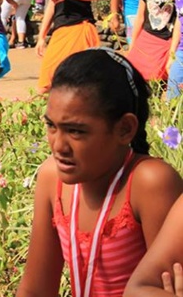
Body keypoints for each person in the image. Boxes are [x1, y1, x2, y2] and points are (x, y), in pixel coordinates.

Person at [16, 49, 183, 297]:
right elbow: (35, 290)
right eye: (51, 126)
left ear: (125, 129)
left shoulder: (149, 183)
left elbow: (161, 285)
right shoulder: (52, 178)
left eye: (76, 131)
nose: (59, 146)